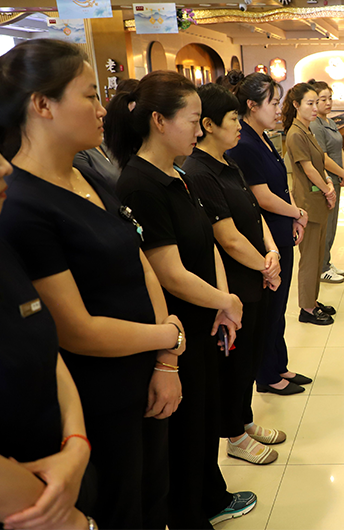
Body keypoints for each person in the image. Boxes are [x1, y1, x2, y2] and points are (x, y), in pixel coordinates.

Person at [0, 39, 185, 530]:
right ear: (42, 105)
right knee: (122, 506)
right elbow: (76, 329)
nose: (103, 109)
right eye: (89, 96)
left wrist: (165, 360)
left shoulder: (88, 175)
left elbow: (140, 261)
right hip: (101, 393)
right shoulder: (21, 205)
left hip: (148, 371)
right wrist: (167, 336)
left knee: (154, 496)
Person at [108, 70, 258, 526]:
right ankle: (192, 513)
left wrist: (222, 299)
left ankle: (210, 498)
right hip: (177, 330)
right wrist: (225, 302)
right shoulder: (140, 184)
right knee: (186, 433)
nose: (199, 130)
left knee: (204, 419)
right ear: (159, 120)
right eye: (193, 121)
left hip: (204, 318)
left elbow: (207, 242)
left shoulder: (178, 172)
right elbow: (168, 273)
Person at [183, 83, 288, 464]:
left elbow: (254, 214)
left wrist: (271, 253)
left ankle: (244, 420)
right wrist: (265, 265)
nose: (239, 125)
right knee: (234, 364)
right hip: (234, 285)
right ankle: (234, 435)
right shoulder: (199, 171)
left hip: (256, 276)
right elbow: (227, 238)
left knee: (250, 357)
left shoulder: (229, 162)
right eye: (232, 119)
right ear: (208, 125)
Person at [0, 150, 93, 530]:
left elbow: (45, 347)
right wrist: (70, 519)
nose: (4, 166)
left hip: (63, 465)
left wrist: (76, 444)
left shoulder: (2, 247)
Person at [226, 72, 313, 395]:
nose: (278, 110)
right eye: (273, 103)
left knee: (279, 307)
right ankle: (266, 375)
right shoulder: (245, 143)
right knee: (270, 308)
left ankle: (279, 365)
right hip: (267, 234)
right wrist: (298, 213)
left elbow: (280, 186)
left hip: (281, 227)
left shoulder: (263, 137)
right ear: (251, 105)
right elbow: (261, 196)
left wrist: (293, 214)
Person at [282, 82, 339, 326]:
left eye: (317, 103)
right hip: (308, 203)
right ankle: (306, 308)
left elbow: (319, 163)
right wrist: (328, 190)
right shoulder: (295, 134)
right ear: (296, 105)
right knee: (309, 258)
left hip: (318, 201)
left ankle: (313, 301)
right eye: (310, 103)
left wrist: (328, 182)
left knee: (317, 256)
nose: (315, 108)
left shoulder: (307, 130)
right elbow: (308, 169)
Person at [308, 79, 344, 284]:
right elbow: (322, 158)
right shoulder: (315, 125)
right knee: (325, 226)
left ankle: (326, 261)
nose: (328, 103)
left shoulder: (330, 122)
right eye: (322, 99)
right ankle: (322, 267)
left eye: (330, 98)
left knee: (332, 224)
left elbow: (339, 148)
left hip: (336, 177)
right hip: (325, 180)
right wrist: (342, 173)